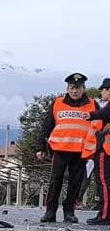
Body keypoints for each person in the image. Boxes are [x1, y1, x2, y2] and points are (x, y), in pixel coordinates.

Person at [36, 73, 97, 223]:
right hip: (60, 149)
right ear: (67, 89)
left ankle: (69, 211)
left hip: (81, 151)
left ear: (83, 89)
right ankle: (50, 212)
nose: (74, 91)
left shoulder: (93, 104)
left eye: (78, 88)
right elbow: (47, 125)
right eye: (72, 88)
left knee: (75, 183)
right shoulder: (57, 103)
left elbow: (99, 125)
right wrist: (40, 147)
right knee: (55, 181)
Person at [78, 78, 110, 209]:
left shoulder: (104, 108)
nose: (101, 93)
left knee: (103, 179)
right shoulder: (103, 106)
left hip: (104, 148)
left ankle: (104, 211)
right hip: (98, 149)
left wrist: (90, 115)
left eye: (103, 90)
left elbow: (104, 113)